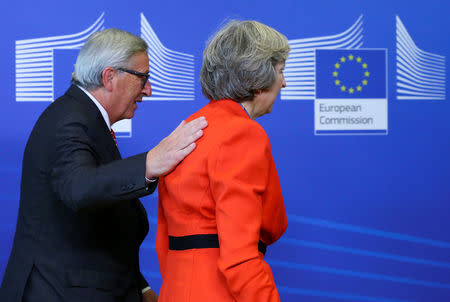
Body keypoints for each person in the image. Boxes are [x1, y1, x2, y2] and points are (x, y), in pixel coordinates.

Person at [0, 28, 207, 302]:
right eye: (143, 78)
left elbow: (102, 224)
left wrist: (140, 287)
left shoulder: (86, 119)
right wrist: (150, 162)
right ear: (110, 77)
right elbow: (80, 189)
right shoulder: (69, 121)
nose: (148, 89)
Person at [156, 20, 289, 302]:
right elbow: (240, 258)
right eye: (280, 71)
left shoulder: (188, 129)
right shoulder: (242, 134)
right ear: (257, 79)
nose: (284, 82)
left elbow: (163, 241)